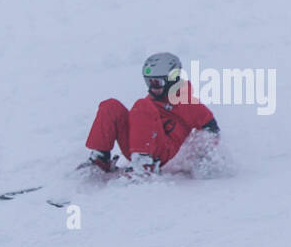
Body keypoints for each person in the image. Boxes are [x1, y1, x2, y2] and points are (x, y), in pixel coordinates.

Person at [84, 52, 219, 173]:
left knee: (142, 106)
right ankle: (100, 159)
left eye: (157, 82)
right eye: (149, 82)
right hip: (136, 146)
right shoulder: (153, 99)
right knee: (110, 106)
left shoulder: (186, 102)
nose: (152, 88)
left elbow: (212, 128)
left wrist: (205, 156)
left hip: (159, 152)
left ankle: (144, 165)